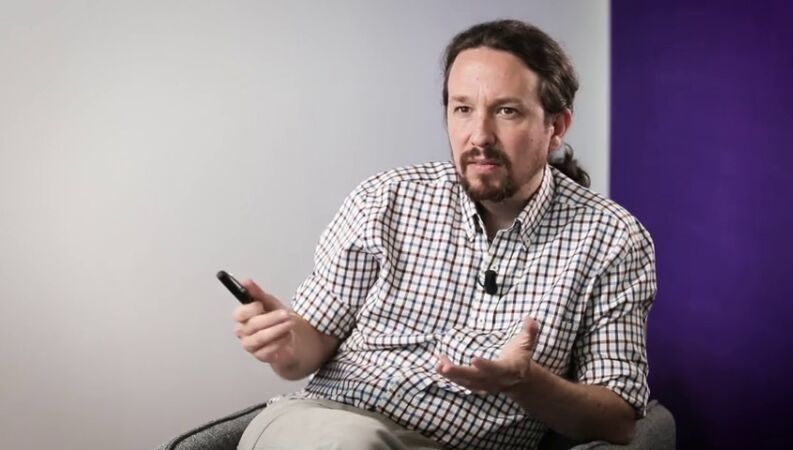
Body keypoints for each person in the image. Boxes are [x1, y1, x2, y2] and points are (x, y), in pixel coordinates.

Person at [232, 19, 656, 450]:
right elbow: (308, 350)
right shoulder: (385, 199)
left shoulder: (612, 238)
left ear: (557, 127)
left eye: (506, 111)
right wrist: (284, 341)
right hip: (326, 421)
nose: (480, 136)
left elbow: (618, 420)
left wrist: (525, 382)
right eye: (463, 109)